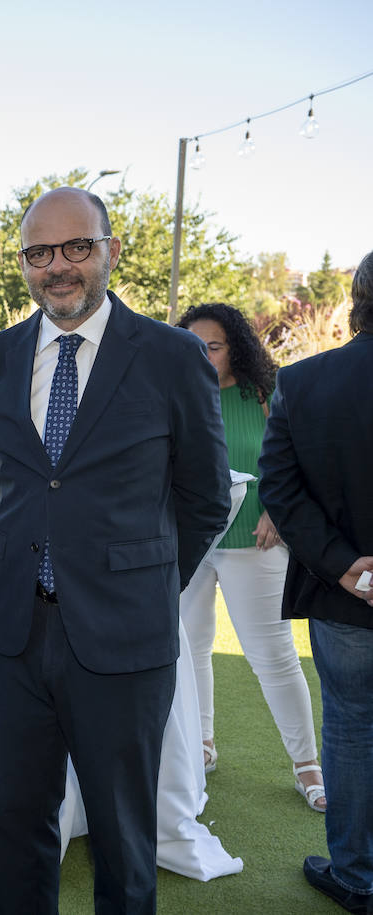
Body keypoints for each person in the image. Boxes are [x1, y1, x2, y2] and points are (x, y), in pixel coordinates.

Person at [0, 187, 231, 913]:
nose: (58, 266)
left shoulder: (172, 355)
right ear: (24, 263)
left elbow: (205, 496)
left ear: (110, 250)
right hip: (15, 634)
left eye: (76, 246)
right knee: (15, 821)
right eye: (39, 252)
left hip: (125, 635)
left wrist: (141, 581)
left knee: (122, 833)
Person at [259, 249, 373, 914]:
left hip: (346, 594)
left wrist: (342, 564)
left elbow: (279, 487)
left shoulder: (304, 382)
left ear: (356, 301)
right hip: (345, 591)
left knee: (353, 730)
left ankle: (355, 875)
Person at [176, 303, 324, 811]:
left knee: (274, 657)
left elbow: (301, 461)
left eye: (213, 347)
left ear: (235, 348)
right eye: (194, 347)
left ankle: (307, 765)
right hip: (188, 544)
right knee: (190, 649)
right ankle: (201, 745)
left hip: (252, 543)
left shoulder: (265, 393)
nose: (203, 356)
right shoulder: (175, 394)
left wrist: (278, 512)